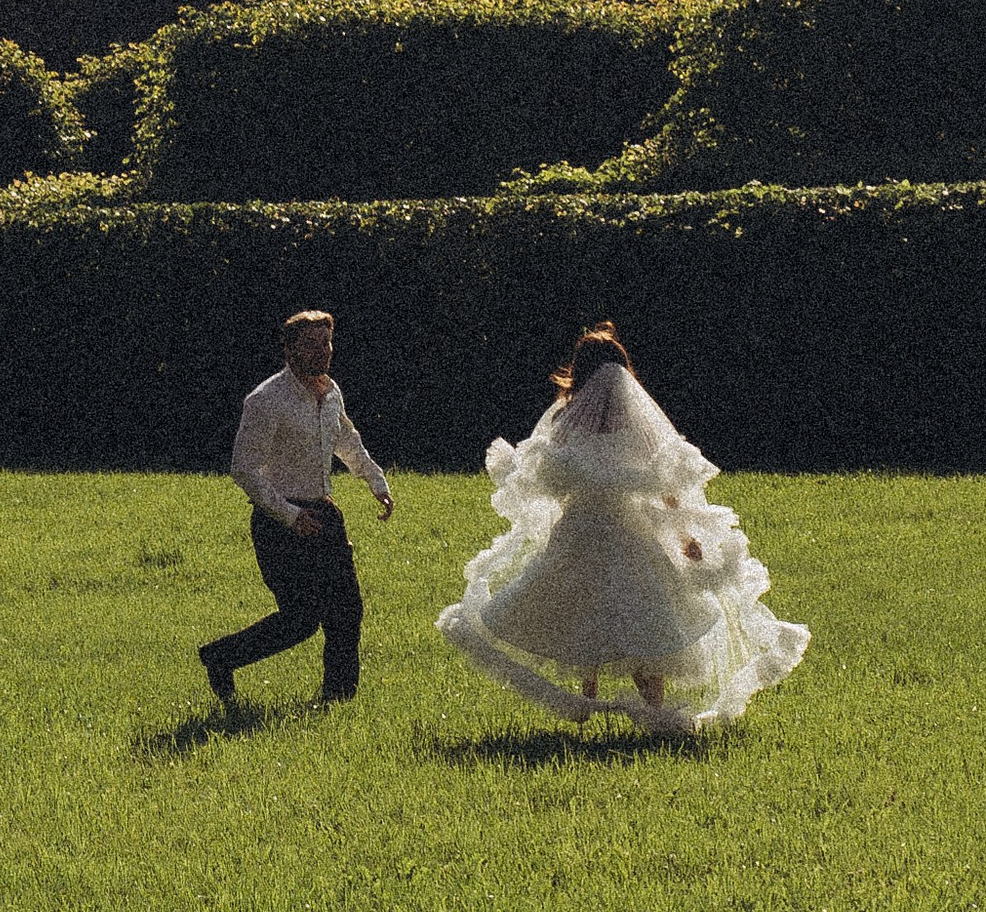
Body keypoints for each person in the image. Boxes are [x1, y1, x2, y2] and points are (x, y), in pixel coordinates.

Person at [437, 321, 807, 733]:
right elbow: (667, 487)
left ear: (578, 371)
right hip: (630, 530)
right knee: (642, 614)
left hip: (581, 527)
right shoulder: (637, 423)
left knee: (582, 605)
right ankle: (653, 707)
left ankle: (587, 694)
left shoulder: (566, 419)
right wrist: (686, 537)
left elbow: (548, 479)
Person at [201, 308, 394, 706]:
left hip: (325, 515)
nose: (322, 352)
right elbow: (244, 469)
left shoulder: (330, 391)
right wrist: (288, 515)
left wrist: (377, 484)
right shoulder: (266, 400)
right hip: (280, 525)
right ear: (288, 350)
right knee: (300, 621)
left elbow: (347, 441)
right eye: (311, 344)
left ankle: (337, 702)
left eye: (326, 343)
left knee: (346, 612)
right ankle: (220, 657)